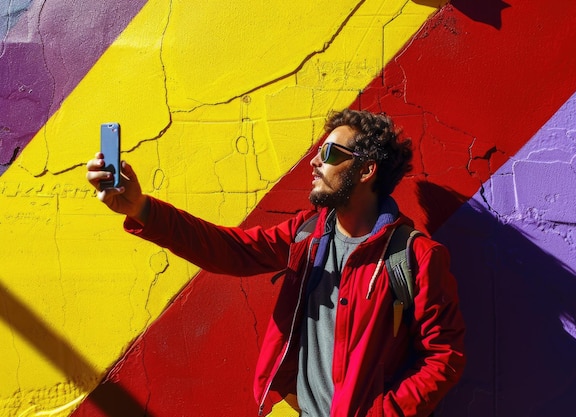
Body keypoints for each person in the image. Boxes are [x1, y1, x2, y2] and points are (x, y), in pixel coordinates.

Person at [86, 109, 465, 417]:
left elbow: (443, 355)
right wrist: (141, 209)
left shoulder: (414, 257)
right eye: (319, 151)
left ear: (367, 171)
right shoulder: (307, 233)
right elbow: (228, 249)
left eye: (331, 155)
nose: (315, 162)